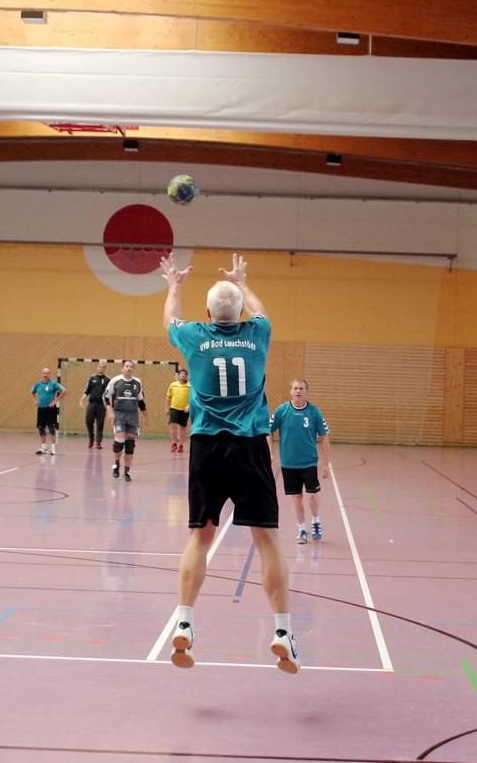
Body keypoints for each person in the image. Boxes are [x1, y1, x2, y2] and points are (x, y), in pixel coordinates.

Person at [160, 251, 298, 674]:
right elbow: (261, 310)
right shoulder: (258, 333)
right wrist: (242, 282)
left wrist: (175, 285)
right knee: (267, 538)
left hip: (206, 446)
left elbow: (169, 319)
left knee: (199, 537)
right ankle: (282, 631)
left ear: (207, 314)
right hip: (250, 445)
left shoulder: (194, 336)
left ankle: (185, 621)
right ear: (240, 314)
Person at [270, 379, 331, 544]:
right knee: (296, 497)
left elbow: (324, 436)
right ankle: (302, 529)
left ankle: (316, 521)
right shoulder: (282, 411)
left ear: (306, 391)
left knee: (312, 496)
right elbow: (268, 431)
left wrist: (326, 463)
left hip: (309, 462)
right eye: (295, 388)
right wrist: (270, 452)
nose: (298, 391)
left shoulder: (314, 412)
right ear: (291, 391)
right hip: (289, 464)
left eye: (301, 388)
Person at [106, 360, 148, 481]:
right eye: (127, 366)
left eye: (131, 366)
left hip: (133, 416)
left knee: (130, 444)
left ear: (133, 369)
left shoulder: (137, 382)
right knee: (119, 442)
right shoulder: (115, 381)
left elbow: (141, 401)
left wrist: (146, 417)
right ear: (122, 368)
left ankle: (126, 472)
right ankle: (116, 464)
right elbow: (105, 397)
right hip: (119, 415)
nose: (129, 368)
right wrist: (110, 411)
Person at [31, 368, 66, 455]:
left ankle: (53, 448)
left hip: (50, 409)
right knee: (41, 428)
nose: (45, 375)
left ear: (49, 374)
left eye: (47, 373)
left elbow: (64, 391)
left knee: (51, 428)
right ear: (41, 374)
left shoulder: (53, 383)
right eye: (44, 373)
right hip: (41, 409)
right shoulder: (38, 384)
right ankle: (44, 448)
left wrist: (55, 401)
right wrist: (35, 400)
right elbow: (32, 392)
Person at [79, 360, 110, 449]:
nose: (101, 369)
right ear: (97, 368)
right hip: (92, 404)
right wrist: (82, 400)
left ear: (105, 369)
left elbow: (110, 393)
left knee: (100, 424)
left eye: (103, 367)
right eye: (99, 367)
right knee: (89, 422)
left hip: (101, 405)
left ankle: (98, 442)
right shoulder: (92, 378)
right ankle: (91, 439)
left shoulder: (108, 380)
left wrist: (110, 405)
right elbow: (87, 391)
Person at [167, 368, 191, 453]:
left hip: (184, 409)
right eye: (181, 374)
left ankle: (180, 445)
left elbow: (192, 397)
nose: (183, 375)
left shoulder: (189, 386)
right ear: (178, 375)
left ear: (186, 376)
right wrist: (167, 408)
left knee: (182, 427)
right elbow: (169, 397)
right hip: (174, 408)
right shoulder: (173, 385)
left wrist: (188, 406)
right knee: (172, 424)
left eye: (184, 374)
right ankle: (174, 443)